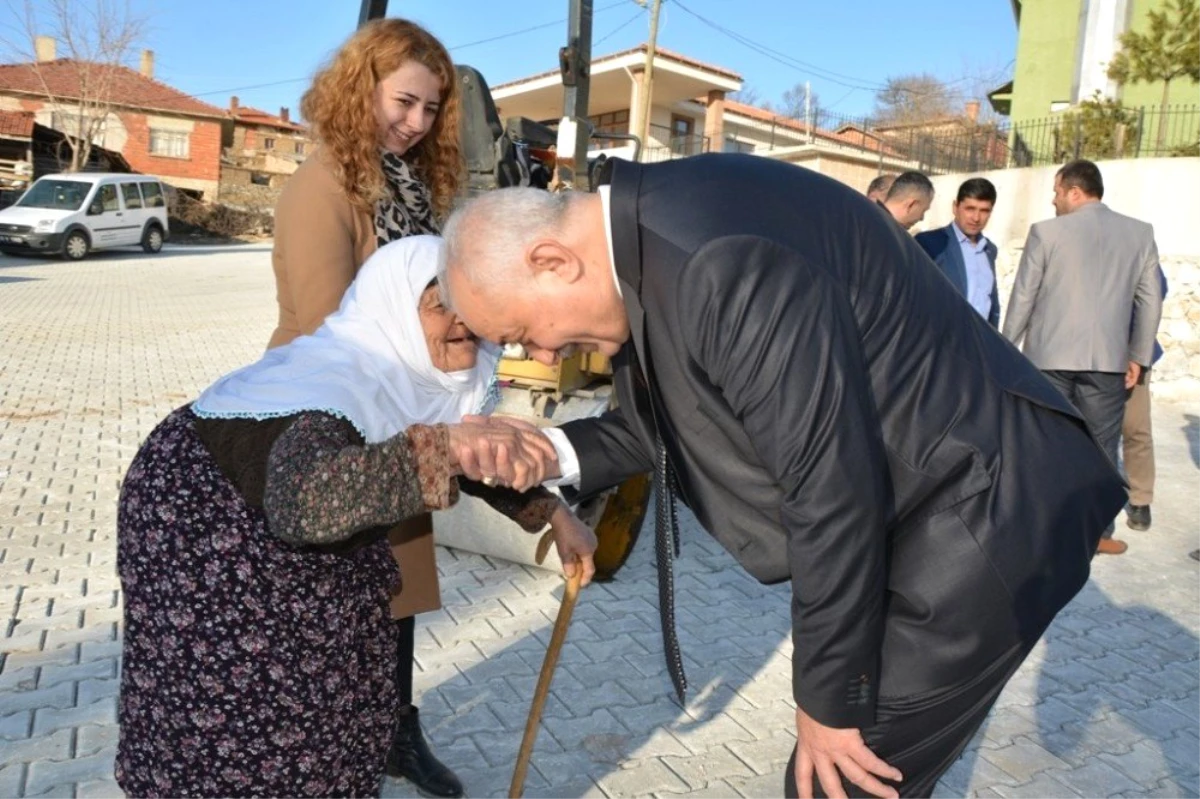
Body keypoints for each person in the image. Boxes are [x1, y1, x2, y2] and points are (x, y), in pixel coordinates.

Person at [437, 154, 1126, 799]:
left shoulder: (717, 259)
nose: (540, 353)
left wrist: (829, 698)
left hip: (983, 515)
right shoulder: (660, 236)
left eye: (525, 331)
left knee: (835, 779)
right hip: (929, 505)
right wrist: (544, 451)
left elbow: (829, 487)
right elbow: (664, 423)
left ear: (552, 260)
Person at [115, 237, 597, 797]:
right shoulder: (339, 383)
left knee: (339, 691)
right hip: (205, 528)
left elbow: (459, 450)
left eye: (470, 305)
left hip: (285, 532)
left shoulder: (408, 370)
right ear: (392, 306)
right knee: (243, 713)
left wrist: (554, 514)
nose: (462, 322)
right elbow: (306, 501)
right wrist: (446, 448)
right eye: (439, 304)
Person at [267, 19, 465, 794]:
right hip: (330, 414)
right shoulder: (324, 183)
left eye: (431, 110)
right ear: (363, 88)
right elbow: (323, 319)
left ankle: (393, 730)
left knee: (399, 589)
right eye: (405, 101)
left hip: (397, 409)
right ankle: (331, 738)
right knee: (338, 596)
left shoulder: (407, 185)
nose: (416, 124)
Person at [1003, 159, 1163, 556]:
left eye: (1057, 191)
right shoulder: (1139, 233)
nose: (1053, 199)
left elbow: (1025, 295)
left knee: (1047, 443)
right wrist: (1138, 356)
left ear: (1075, 191)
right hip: (1108, 361)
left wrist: (1006, 349)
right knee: (1102, 447)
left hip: (1049, 357)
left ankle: (1044, 527)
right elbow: (1150, 301)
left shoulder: (1046, 232)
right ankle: (1096, 532)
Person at [915, 178, 1001, 327]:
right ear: (955, 207)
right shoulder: (931, 243)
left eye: (984, 211)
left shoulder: (989, 250)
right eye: (970, 209)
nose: (976, 218)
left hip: (980, 343)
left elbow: (991, 303)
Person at [1122, 268, 1168, 531]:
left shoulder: (1139, 244)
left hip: (1134, 351)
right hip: (1088, 350)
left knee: (1135, 427)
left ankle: (1140, 498)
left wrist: (1136, 354)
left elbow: (1155, 293)